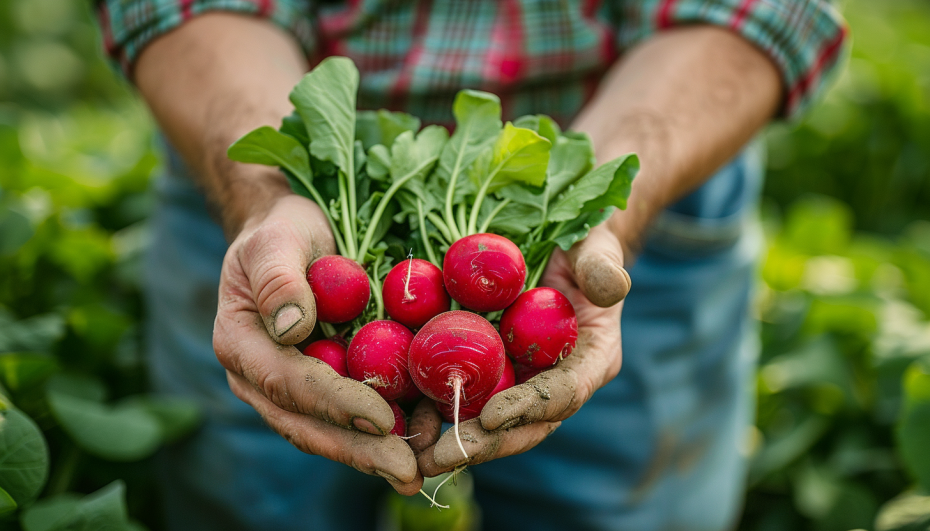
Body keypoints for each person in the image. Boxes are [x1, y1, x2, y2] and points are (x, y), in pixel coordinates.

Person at [95, 1, 847, 529]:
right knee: (252, 508)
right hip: (257, 173)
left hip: (650, 170)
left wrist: (596, 214)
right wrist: (265, 200)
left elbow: (755, 12)